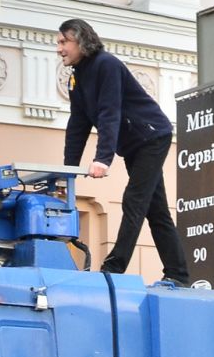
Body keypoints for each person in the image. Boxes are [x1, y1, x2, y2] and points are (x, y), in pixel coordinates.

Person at [58, 17, 191, 283]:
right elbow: (78, 124)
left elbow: (110, 112)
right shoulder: (78, 77)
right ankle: (177, 273)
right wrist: (67, 173)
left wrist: (102, 159)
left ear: (81, 41)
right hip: (133, 144)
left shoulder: (106, 65)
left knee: (134, 200)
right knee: (156, 210)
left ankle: (114, 268)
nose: (59, 48)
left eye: (64, 42)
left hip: (151, 136)